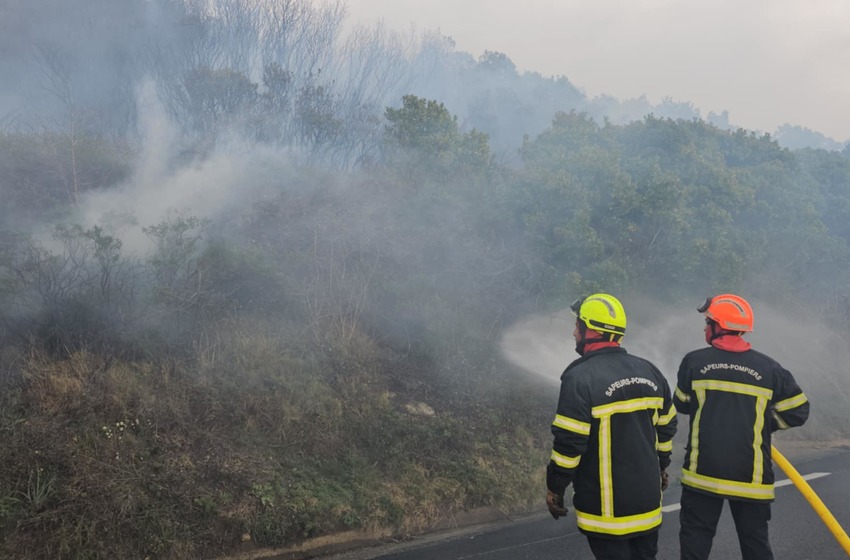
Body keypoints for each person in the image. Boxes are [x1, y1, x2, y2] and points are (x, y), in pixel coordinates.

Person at [674, 294, 810, 560]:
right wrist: (762, 423)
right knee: (755, 545)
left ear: (718, 326)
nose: (704, 327)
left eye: (707, 321)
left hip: (703, 474)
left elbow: (681, 403)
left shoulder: (695, 362)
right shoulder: (769, 368)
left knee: (696, 542)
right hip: (752, 478)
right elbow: (798, 411)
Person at [546, 293, 677, 560]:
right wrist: (661, 466)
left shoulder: (579, 378)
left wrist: (555, 487)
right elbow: (667, 427)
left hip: (607, 512)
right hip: (648, 504)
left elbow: (569, 444)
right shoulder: (650, 371)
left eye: (577, 325)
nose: (574, 332)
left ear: (590, 329)